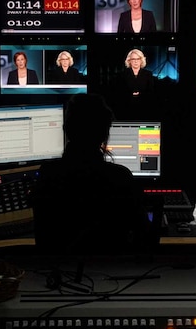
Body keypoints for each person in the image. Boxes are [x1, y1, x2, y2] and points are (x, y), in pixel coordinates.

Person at [30, 93, 148, 257]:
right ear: (105, 133)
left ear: (66, 130)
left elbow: (43, 238)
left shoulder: (48, 173)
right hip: (111, 273)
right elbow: (142, 236)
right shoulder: (121, 177)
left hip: (62, 272)